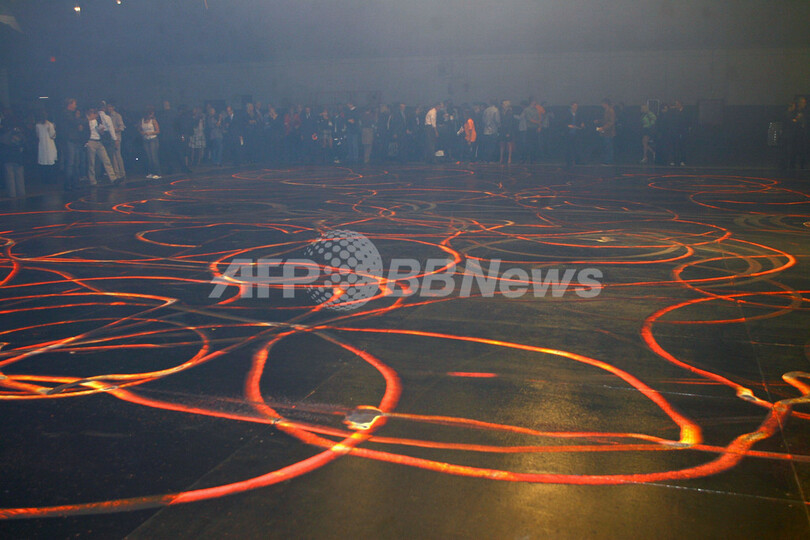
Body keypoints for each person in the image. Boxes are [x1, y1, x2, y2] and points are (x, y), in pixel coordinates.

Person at [85, 108, 118, 185]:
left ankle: (113, 179)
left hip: (99, 142)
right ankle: (92, 181)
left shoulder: (97, 121)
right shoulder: (86, 122)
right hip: (91, 141)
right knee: (91, 163)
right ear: (90, 114)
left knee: (106, 160)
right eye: (94, 113)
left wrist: (101, 131)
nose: (96, 115)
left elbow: (101, 131)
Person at [1, 112, 26, 198]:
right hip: (18, 156)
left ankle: (12, 195)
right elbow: (23, 142)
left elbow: (3, 143)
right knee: (19, 176)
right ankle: (21, 194)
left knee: (10, 177)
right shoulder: (19, 131)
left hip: (8, 157)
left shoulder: (3, 133)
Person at [35, 110, 58, 184]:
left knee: (43, 163)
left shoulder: (37, 125)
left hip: (42, 146)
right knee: (50, 162)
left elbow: (37, 136)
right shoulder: (50, 125)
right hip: (49, 145)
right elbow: (52, 135)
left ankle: (44, 180)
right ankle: (51, 180)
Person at [138, 106, 161, 179]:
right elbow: (139, 129)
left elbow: (158, 131)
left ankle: (158, 173)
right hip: (145, 139)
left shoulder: (153, 121)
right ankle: (151, 172)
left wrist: (150, 133)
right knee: (148, 157)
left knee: (154, 157)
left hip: (153, 139)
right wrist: (142, 132)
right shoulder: (142, 120)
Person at [106, 102, 126, 180]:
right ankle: (117, 174)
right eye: (108, 107)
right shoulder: (107, 116)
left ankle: (122, 173)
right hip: (110, 139)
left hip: (117, 138)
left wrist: (113, 130)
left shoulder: (117, 116)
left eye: (110, 107)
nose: (108, 108)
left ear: (113, 107)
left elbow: (122, 127)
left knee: (117, 155)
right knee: (113, 156)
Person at [595, 98, 616, 164]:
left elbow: (611, 122)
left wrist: (603, 128)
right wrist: (599, 121)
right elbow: (606, 120)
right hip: (606, 132)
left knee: (608, 147)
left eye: (602, 104)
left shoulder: (610, 111)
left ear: (605, 104)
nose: (602, 105)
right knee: (606, 146)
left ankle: (608, 161)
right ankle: (607, 160)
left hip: (609, 132)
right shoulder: (607, 111)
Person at [564, 101, 584, 167]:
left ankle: (577, 160)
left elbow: (580, 121)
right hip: (569, 133)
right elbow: (562, 122)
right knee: (569, 148)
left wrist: (582, 124)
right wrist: (567, 125)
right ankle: (568, 161)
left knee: (577, 147)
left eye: (577, 106)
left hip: (576, 132)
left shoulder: (578, 113)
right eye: (575, 106)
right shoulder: (567, 113)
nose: (576, 108)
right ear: (571, 106)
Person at [499, 100, 517, 164]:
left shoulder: (510, 112)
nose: (502, 105)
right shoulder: (501, 112)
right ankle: (501, 158)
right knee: (502, 143)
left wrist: (509, 132)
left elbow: (511, 123)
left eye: (503, 104)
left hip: (508, 130)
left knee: (509, 144)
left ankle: (509, 158)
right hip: (502, 130)